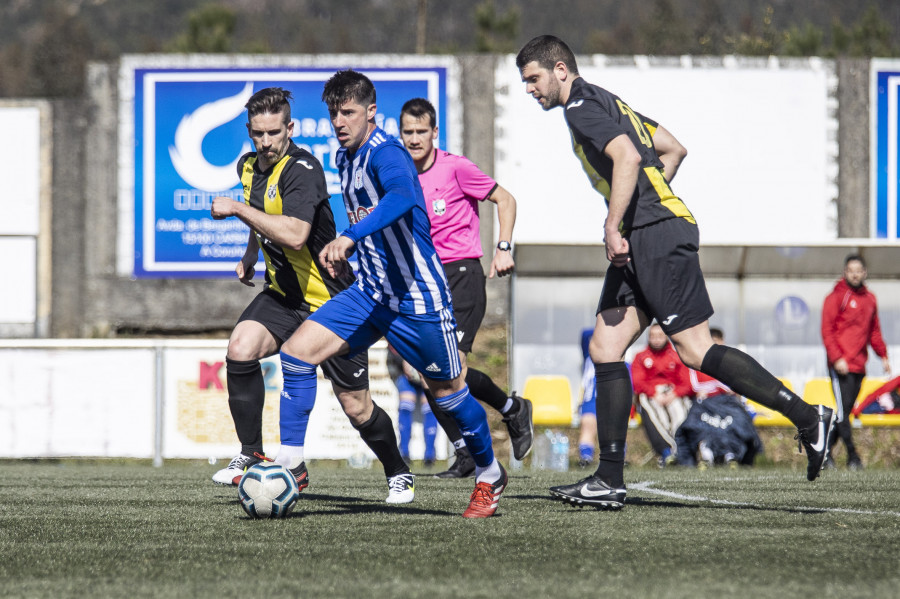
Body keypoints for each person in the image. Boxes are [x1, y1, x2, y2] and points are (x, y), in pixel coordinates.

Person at [515, 35, 836, 510]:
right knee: (605, 347)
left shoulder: (581, 106)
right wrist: (643, 207)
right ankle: (608, 478)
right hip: (650, 231)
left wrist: (615, 222)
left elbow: (626, 156)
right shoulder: (610, 101)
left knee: (695, 349)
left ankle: (809, 418)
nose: (530, 90)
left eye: (533, 79)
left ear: (560, 69)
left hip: (657, 236)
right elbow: (673, 149)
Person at [274, 70, 508, 518]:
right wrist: (348, 247)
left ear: (371, 112)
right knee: (296, 352)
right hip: (372, 293)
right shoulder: (346, 158)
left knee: (449, 395)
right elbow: (374, 218)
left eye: (348, 112)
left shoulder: (387, 153)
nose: (339, 122)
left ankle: (489, 473)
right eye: (332, 114)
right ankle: (291, 463)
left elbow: (402, 196)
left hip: (418, 300)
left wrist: (350, 235)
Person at [208, 87, 414, 504]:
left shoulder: (303, 168)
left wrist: (237, 209)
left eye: (273, 133)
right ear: (249, 131)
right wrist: (250, 254)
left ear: (290, 128)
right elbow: (262, 214)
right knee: (240, 348)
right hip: (285, 296)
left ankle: (398, 472)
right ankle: (252, 454)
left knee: (356, 408)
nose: (265, 143)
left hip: (331, 301)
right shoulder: (248, 165)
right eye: (257, 134)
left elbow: (297, 235)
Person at [398, 98, 533, 478]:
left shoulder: (455, 167)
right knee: (426, 371)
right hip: (426, 281)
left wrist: (503, 247)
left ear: (434, 132)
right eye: (407, 132)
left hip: (462, 276)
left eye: (421, 131)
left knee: (448, 368)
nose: (414, 138)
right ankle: (473, 446)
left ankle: (508, 414)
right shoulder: (401, 175)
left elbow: (505, 199)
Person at [821, 254, 891, 470]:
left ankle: (823, 454)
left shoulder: (870, 299)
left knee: (845, 414)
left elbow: (874, 331)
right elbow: (827, 330)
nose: (854, 274)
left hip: (859, 366)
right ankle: (853, 457)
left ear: (864, 273)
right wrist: (836, 358)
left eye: (858, 270)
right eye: (851, 270)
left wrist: (883, 356)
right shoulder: (835, 297)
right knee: (842, 414)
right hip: (840, 366)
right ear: (845, 272)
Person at [631, 323, 693, 467]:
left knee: (681, 410)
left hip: (673, 394)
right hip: (651, 395)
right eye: (653, 336)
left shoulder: (677, 356)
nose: (657, 340)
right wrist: (654, 393)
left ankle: (681, 451)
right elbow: (638, 382)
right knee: (648, 407)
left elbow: (687, 383)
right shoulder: (641, 357)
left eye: (660, 336)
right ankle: (667, 452)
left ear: (666, 337)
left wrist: (674, 393)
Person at [386, 344, 438, 466]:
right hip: (404, 374)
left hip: (429, 371)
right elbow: (392, 345)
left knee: (430, 408)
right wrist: (404, 361)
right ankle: (404, 453)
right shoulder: (399, 326)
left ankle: (429, 456)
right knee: (405, 406)